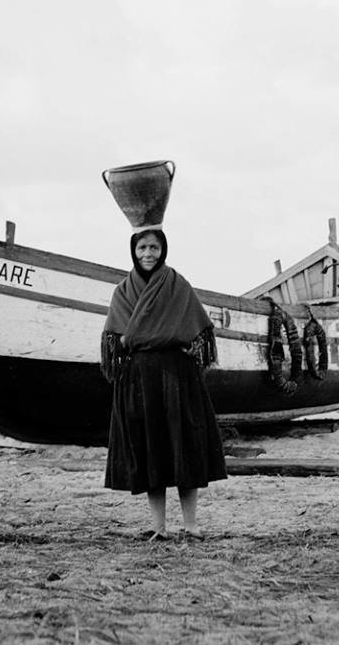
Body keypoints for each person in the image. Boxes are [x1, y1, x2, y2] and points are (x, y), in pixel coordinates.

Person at [101, 228, 227, 540]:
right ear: (133, 251)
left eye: (154, 247)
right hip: (139, 380)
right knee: (149, 450)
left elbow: (198, 332)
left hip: (177, 376)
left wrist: (143, 338)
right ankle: (158, 526)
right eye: (142, 247)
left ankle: (191, 525)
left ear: (163, 249)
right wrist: (136, 339)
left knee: (185, 447)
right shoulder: (123, 292)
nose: (148, 254)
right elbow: (115, 340)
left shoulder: (177, 285)